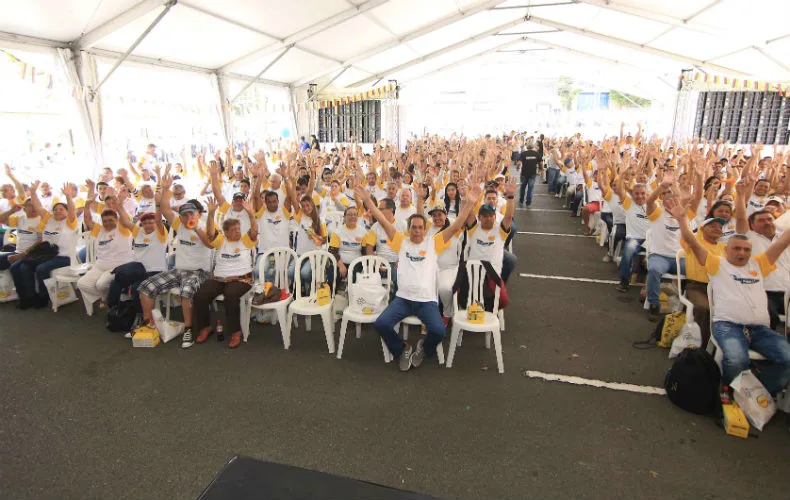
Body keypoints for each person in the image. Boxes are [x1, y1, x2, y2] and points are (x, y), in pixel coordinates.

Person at [669, 197, 790, 395]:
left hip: (759, 329)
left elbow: (783, 242)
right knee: (737, 359)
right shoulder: (718, 264)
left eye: (746, 250)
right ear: (726, 250)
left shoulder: (758, 264)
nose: (741, 253)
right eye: (736, 248)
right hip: (728, 326)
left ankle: (755, 393)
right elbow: (691, 240)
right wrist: (682, 219)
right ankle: (730, 395)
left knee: (787, 359)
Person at [356, 181, 480, 372]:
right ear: (409, 228)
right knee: (381, 324)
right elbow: (381, 219)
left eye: (420, 227)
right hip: (403, 299)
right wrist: (367, 202)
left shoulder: (433, 242)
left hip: (426, 301)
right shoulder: (401, 241)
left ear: (425, 229)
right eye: (413, 227)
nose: (417, 230)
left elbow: (456, 226)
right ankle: (402, 348)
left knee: (438, 331)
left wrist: (469, 203)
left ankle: (424, 348)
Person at [132, 175, 213, 349]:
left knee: (186, 292)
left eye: (191, 213)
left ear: (198, 213)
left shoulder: (205, 225)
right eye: (184, 214)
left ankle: (188, 329)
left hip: (199, 271)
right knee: (146, 287)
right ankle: (148, 324)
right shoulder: (178, 224)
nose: (187, 217)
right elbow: (166, 209)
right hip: (178, 270)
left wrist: (196, 226)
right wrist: (166, 189)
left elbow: (210, 244)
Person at [192, 198, 258, 349]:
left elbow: (254, 231)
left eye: (238, 229)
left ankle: (235, 332)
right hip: (219, 279)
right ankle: (205, 327)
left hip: (241, 280)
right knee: (200, 295)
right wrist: (211, 213)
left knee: (231, 296)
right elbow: (210, 232)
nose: (238, 232)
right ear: (226, 232)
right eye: (234, 230)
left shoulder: (245, 241)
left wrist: (251, 214)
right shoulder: (221, 241)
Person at [735, 178, 790, 330]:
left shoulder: (784, 237)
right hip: (762, 292)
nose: (767, 222)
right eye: (761, 220)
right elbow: (740, 217)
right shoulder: (748, 237)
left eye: (770, 219)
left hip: (787, 291)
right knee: (767, 317)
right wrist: (740, 195)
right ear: (751, 225)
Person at [14, 182, 78, 308]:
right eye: (55, 209)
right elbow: (38, 207)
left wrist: (69, 197)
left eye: (61, 209)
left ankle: (43, 297)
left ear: (67, 212)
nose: (57, 211)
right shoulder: (49, 219)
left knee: (41, 269)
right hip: (46, 255)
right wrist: (33, 192)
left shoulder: (70, 222)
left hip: (63, 257)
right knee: (24, 267)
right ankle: (31, 296)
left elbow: (72, 209)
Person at [79, 187, 135, 308]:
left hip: (119, 265)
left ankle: (107, 299)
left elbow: (124, 218)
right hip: (100, 265)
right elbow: (88, 221)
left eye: (111, 220)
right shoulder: (100, 229)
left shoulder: (122, 228)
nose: (108, 223)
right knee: (82, 284)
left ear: (116, 219)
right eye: (105, 221)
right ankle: (106, 297)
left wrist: (118, 204)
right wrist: (87, 205)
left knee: (101, 284)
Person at [517, 141, 540, 207]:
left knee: (522, 187)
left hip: (524, 173)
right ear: (532, 146)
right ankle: (528, 203)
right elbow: (541, 162)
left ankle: (521, 201)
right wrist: (541, 169)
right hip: (532, 173)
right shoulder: (536, 153)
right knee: (530, 188)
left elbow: (518, 163)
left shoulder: (523, 153)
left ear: (527, 147)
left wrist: (518, 168)